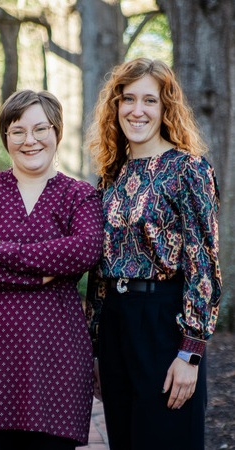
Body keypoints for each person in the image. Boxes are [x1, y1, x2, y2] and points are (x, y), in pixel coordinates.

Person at [0, 89, 103, 450]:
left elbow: (84, 250)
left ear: (56, 131)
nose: (29, 140)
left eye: (40, 129)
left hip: (56, 357)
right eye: (17, 131)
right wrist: (43, 273)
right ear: (6, 137)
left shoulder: (79, 195)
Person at [85, 57, 222, 450]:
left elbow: (204, 264)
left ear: (166, 108)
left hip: (164, 323)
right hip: (116, 324)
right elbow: (100, 268)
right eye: (128, 99)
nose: (137, 110)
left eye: (149, 100)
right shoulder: (111, 175)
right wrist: (97, 349)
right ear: (116, 106)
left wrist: (191, 352)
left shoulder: (188, 169)